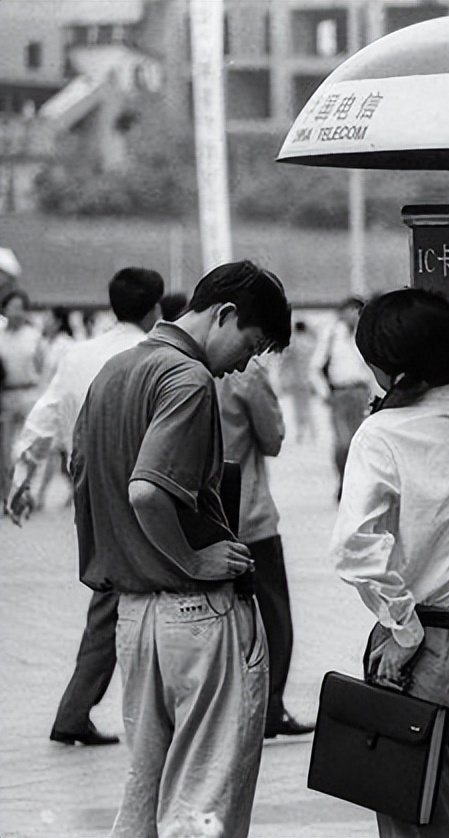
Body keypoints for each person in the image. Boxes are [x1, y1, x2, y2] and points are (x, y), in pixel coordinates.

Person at [72, 260, 291, 837]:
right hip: (195, 613)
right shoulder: (187, 379)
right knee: (201, 804)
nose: (246, 362)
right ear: (225, 315)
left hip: (133, 614)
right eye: (254, 343)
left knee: (145, 795)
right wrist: (191, 558)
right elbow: (147, 490)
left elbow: (85, 479)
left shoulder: (113, 372)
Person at [330, 288, 449, 837]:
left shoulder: (383, 434)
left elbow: (354, 548)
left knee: (413, 820)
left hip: (413, 655)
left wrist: (403, 630)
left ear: (382, 369)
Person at [5, 268, 165, 747]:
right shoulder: (151, 354)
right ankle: (93, 712)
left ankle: (78, 711)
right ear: (155, 308)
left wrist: (22, 478)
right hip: (135, 477)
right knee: (134, 593)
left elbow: (45, 416)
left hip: (88, 481)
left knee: (110, 590)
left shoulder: (78, 353)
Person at [216, 358, 314, 738]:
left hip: (198, 519)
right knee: (272, 616)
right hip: (249, 515)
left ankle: (223, 711)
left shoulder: (174, 366)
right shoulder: (245, 372)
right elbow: (272, 437)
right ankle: (269, 706)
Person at [312, 297, 375, 498]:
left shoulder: (366, 334)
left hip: (361, 392)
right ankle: (342, 479)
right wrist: (324, 392)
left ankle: (357, 484)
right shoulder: (331, 334)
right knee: (343, 442)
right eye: (350, 311)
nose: (353, 316)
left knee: (362, 442)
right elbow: (314, 367)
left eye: (357, 311)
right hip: (340, 393)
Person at [0, 288, 46, 499]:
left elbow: (42, 367)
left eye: (21, 308)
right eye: (12, 307)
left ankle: (24, 490)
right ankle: (7, 492)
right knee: (5, 448)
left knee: (28, 447)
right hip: (6, 395)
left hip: (29, 393)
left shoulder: (34, 336)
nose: (16, 312)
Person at [280, 320, 319, 443]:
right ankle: (313, 432)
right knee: (308, 406)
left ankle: (301, 432)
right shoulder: (310, 343)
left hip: (297, 379)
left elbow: (284, 361)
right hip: (309, 379)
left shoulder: (294, 343)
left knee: (298, 408)